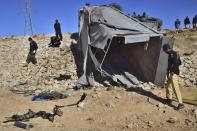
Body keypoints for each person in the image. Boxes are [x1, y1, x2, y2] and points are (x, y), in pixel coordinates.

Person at [163, 44, 184, 110]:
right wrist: (168, 71)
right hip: (171, 73)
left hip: (173, 73)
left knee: (175, 88)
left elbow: (177, 63)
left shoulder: (173, 54)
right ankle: (169, 99)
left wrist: (172, 70)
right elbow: (180, 62)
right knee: (168, 86)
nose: (164, 52)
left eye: (164, 50)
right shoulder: (172, 54)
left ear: (167, 49)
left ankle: (181, 103)